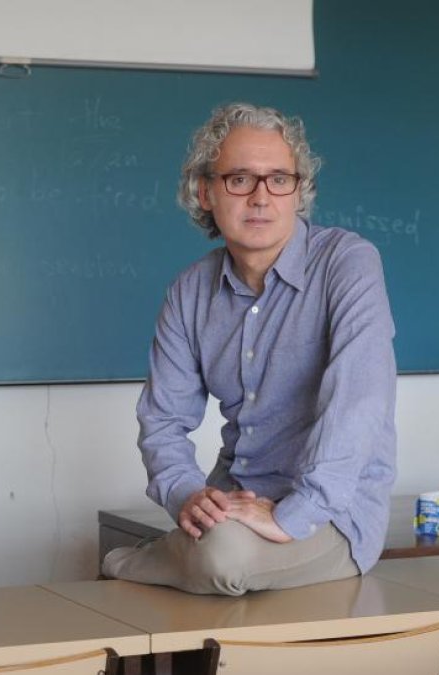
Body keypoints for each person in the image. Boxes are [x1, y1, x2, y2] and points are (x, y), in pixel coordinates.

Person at [101, 102, 397, 595]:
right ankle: (179, 551)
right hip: (233, 502)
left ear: (299, 191)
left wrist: (292, 515)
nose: (261, 197)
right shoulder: (190, 290)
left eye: (279, 179)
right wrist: (186, 495)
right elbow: (163, 420)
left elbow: (359, 402)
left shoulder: (349, 263)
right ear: (206, 191)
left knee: (222, 558)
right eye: (240, 179)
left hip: (332, 512)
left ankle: (130, 564)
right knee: (219, 540)